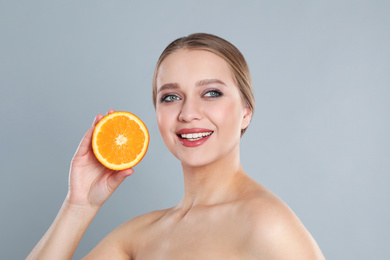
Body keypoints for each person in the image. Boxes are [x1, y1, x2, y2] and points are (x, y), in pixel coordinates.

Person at [28, 33, 325, 259]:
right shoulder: (141, 234)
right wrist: (78, 206)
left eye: (211, 92)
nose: (188, 113)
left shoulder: (265, 224)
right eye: (171, 97)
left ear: (246, 111)